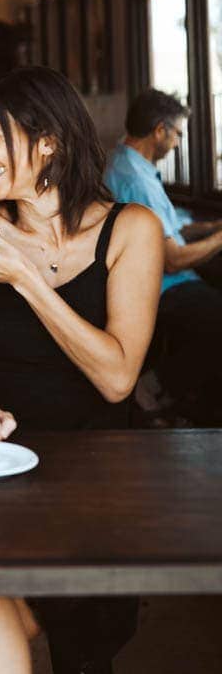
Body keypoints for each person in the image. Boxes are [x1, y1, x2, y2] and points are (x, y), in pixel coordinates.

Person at [0, 66, 162, 674]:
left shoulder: (131, 230)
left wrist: (25, 278)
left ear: (48, 139)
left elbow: (117, 378)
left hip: (94, 479)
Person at [105, 88, 222, 424]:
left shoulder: (129, 164)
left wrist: (210, 226)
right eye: (177, 135)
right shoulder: (135, 179)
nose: (177, 144)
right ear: (160, 130)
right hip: (159, 285)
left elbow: (168, 228)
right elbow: (173, 259)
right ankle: (154, 390)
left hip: (163, 277)